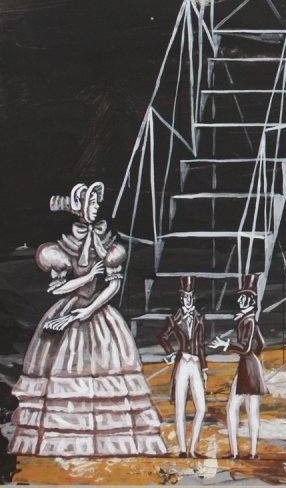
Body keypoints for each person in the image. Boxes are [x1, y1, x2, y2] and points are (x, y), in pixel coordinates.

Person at [9, 182, 168, 457]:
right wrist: (87, 278)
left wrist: (89, 310)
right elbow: (58, 289)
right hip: (69, 310)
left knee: (107, 373)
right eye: (91, 203)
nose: (96, 208)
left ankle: (110, 443)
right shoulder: (61, 248)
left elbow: (114, 285)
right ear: (79, 208)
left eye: (96, 202)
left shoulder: (107, 245)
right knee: (64, 371)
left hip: (98, 313)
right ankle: (64, 441)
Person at [214, 275, 268, 459]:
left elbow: (245, 347)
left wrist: (226, 344)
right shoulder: (249, 319)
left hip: (247, 366)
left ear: (250, 300)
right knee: (251, 410)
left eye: (242, 297)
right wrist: (255, 359)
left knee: (232, 408)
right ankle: (252, 452)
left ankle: (235, 452)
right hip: (252, 365)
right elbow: (261, 344)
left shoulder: (248, 320)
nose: (239, 300)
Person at [158, 276, 208, 457]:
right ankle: (182, 450)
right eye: (186, 297)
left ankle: (192, 449)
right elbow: (162, 337)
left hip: (195, 364)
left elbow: (201, 344)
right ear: (181, 298)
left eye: (191, 296)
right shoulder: (175, 318)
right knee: (180, 408)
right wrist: (170, 352)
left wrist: (204, 368)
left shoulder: (199, 318)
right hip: (182, 363)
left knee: (201, 408)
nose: (188, 300)